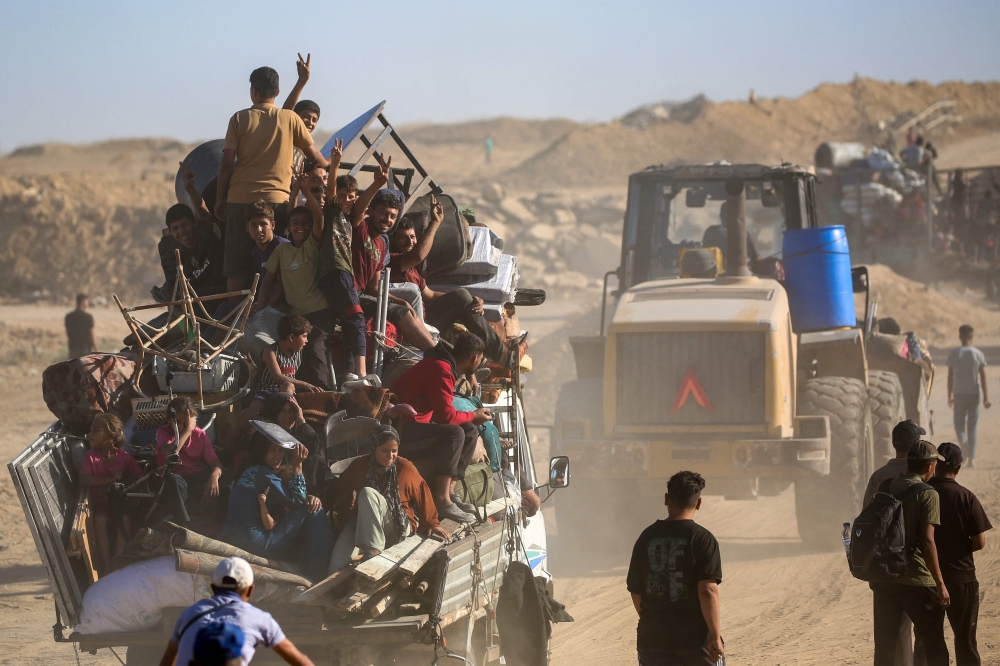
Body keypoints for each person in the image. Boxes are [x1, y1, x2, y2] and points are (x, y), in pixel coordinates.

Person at [215, 65, 329, 295]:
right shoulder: (289, 118)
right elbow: (316, 157)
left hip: (239, 200)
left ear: (253, 91)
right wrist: (332, 167)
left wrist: (220, 200)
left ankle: (234, 322)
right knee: (279, 264)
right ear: (277, 92)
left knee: (236, 268)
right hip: (277, 202)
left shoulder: (239, 118)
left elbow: (227, 163)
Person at [388, 208, 518, 365]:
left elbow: (429, 294)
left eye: (412, 237)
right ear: (393, 241)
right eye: (402, 238)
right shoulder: (393, 261)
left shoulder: (412, 270)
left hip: (425, 319)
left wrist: (469, 300)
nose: (409, 242)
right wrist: (435, 223)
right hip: (411, 324)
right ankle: (500, 355)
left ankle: (485, 358)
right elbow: (418, 255)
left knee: (463, 297)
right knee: (461, 299)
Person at [391, 332, 493, 523]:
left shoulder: (445, 365)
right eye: (480, 359)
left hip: (417, 428)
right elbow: (447, 417)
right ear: (473, 358)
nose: (480, 362)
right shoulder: (441, 370)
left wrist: (471, 419)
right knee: (454, 433)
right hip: (403, 432)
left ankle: (450, 491)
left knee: (469, 431)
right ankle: (441, 499)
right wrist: (474, 415)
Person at [627, 471, 724, 666]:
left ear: (666, 499)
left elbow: (636, 591)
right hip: (695, 641)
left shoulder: (646, 537)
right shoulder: (703, 539)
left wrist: (654, 620)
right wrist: (715, 636)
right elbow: (707, 590)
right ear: (698, 503)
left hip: (652, 639)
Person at [870, 440, 950, 666]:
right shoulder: (928, 494)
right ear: (930, 466)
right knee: (934, 643)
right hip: (917, 580)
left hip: (885, 577)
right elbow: (926, 541)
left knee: (885, 646)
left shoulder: (884, 487)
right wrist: (940, 582)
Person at [330, 425, 450, 570]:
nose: (390, 455)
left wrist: (433, 524)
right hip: (366, 524)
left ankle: (372, 553)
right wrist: (348, 516)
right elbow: (343, 490)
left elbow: (423, 493)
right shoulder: (359, 466)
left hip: (397, 524)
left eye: (394, 451)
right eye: (384, 451)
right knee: (337, 562)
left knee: (368, 493)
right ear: (373, 448)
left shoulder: (405, 468)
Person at [158, 557, 315, 666]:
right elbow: (300, 661)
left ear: (213, 588)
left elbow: (168, 661)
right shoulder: (259, 619)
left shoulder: (189, 615)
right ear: (250, 590)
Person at [222, 438, 333, 582]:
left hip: (236, 537)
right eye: (272, 450)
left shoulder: (252, 471)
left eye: (280, 450)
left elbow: (293, 497)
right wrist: (297, 466)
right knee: (313, 510)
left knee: (310, 506)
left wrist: (309, 496)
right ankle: (319, 575)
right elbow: (297, 500)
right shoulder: (262, 474)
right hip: (255, 542)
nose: (277, 455)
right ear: (262, 451)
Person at [862, 418, 925, 666]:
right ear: (917, 445)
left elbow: (866, 519)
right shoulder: (921, 476)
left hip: (883, 566)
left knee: (887, 634)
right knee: (913, 630)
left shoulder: (878, 477)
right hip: (915, 564)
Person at [350, 171, 436, 354]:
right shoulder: (360, 230)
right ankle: (428, 354)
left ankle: (435, 353)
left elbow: (373, 288)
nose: (387, 220)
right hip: (349, 292)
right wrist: (377, 184)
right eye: (383, 213)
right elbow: (357, 211)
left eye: (392, 216)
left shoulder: (382, 245)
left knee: (404, 306)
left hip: (365, 294)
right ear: (371, 212)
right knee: (401, 312)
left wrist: (401, 301)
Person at [260, 182, 335, 389]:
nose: (300, 226)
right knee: (294, 354)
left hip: (319, 311)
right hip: (296, 315)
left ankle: (323, 395)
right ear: (288, 227)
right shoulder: (282, 251)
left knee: (317, 351)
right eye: (295, 223)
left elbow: (319, 216)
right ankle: (300, 395)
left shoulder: (313, 244)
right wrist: (260, 308)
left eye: (304, 222)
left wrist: (305, 189)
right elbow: (268, 280)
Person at [220, 314, 320, 465]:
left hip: (284, 398)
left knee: (289, 387)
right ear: (292, 337)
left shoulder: (298, 353)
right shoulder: (270, 351)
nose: (306, 341)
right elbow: (279, 377)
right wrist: (306, 384)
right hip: (266, 393)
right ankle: (222, 453)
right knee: (247, 419)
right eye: (304, 336)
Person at [928, 442, 992, 666]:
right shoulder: (966, 497)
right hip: (961, 577)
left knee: (931, 641)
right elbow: (979, 542)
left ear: (934, 465)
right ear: (958, 468)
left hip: (927, 579)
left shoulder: (923, 494)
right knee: (965, 641)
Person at [79, 413, 144, 576]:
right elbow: (84, 479)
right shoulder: (90, 457)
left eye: (96, 430)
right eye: (91, 430)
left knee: (126, 517)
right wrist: (110, 479)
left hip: (120, 505)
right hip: (101, 506)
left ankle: (117, 560)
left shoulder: (124, 458)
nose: (90, 434)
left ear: (111, 435)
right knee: (100, 520)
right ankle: (106, 564)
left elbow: (140, 477)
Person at [155, 397, 223, 526]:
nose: (183, 427)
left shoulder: (199, 435)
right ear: (170, 420)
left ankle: (218, 524)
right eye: (179, 422)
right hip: (175, 477)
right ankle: (184, 524)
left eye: (187, 422)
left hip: (196, 477)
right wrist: (188, 429)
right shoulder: (164, 432)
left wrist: (214, 477)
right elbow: (170, 453)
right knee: (173, 481)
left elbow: (216, 464)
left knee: (226, 483)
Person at [947, 325, 990, 467]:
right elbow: (983, 378)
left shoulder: (954, 353)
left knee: (959, 424)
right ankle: (971, 459)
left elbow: (950, 377)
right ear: (972, 337)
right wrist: (986, 398)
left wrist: (949, 395)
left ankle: (963, 441)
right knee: (972, 426)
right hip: (974, 394)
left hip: (959, 394)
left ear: (960, 337)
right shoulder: (977, 354)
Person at [65, 293, 96, 359]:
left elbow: (68, 333)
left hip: (73, 348)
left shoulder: (69, 316)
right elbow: (91, 335)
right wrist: (96, 349)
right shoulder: (88, 317)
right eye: (87, 301)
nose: (88, 303)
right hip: (85, 349)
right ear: (83, 302)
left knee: (74, 368)